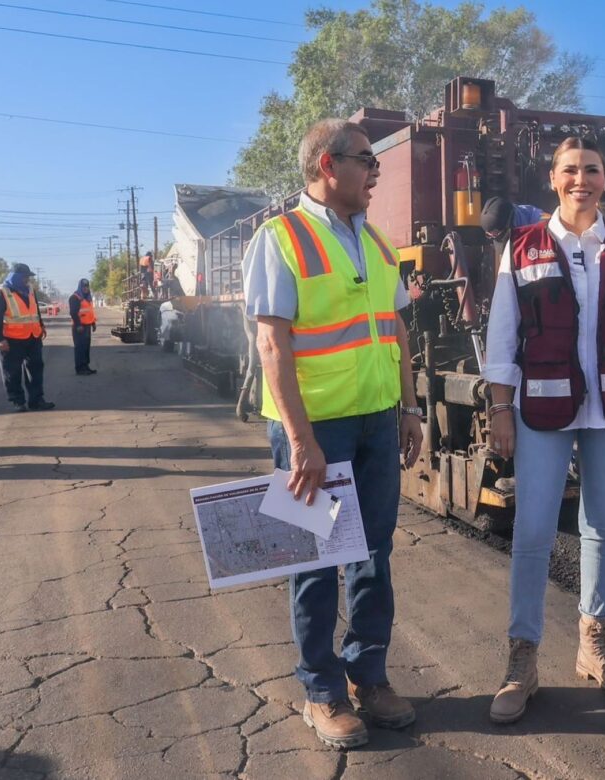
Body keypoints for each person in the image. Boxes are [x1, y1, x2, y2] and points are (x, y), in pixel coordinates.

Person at [243, 118, 423, 750]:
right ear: (328, 165)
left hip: (377, 421)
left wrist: (409, 407)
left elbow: (396, 330)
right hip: (314, 429)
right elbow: (272, 343)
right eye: (366, 160)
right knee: (315, 559)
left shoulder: (374, 241)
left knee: (374, 554)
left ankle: (368, 675)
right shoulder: (280, 239)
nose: (376, 171)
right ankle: (322, 691)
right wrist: (300, 442)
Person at [483, 137, 605, 724]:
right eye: (570, 170)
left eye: (591, 170)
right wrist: (499, 408)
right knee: (534, 530)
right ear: (552, 179)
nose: (580, 179)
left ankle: (593, 645)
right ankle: (523, 659)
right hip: (542, 406)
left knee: (602, 527)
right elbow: (503, 331)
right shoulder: (523, 245)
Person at [0, 263, 55, 412]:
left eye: (28, 277)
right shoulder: (1, 293)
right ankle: (18, 401)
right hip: (12, 340)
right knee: (12, 372)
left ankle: (37, 400)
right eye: (25, 277)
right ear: (17, 277)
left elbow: (35, 310)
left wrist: (41, 325)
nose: (28, 280)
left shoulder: (29, 290)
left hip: (33, 337)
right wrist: (0, 339)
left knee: (36, 369)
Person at [69, 278, 97, 375]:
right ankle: (80, 368)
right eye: (84, 286)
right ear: (80, 287)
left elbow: (90, 312)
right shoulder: (75, 297)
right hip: (79, 327)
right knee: (79, 348)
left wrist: (93, 323)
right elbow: (73, 313)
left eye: (87, 286)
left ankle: (86, 366)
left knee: (86, 348)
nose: (86, 288)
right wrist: (78, 325)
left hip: (87, 326)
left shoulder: (87, 298)